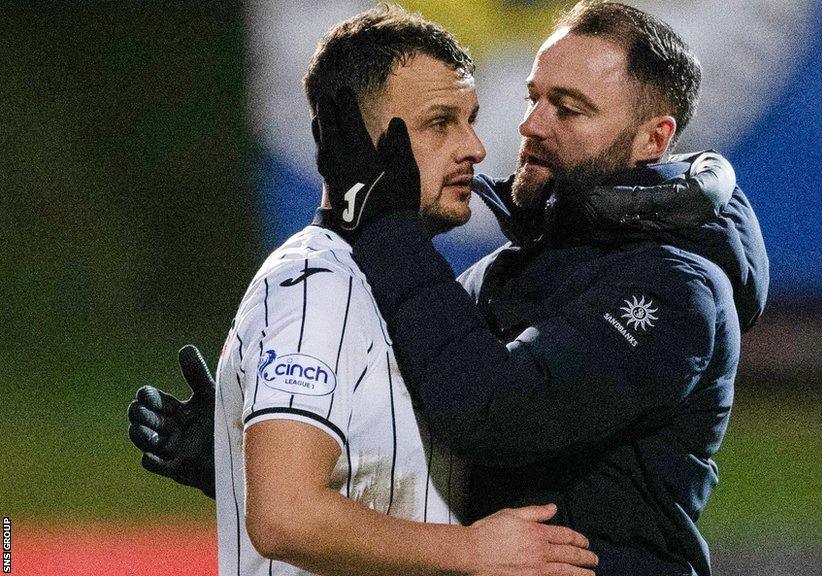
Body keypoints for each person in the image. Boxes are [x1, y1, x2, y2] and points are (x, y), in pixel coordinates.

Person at [129, 2, 769, 575]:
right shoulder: (508, 270)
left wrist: (387, 227)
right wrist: (247, 468)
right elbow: (421, 446)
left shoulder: (677, 288)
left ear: (653, 139)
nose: (530, 127)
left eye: (568, 108)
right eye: (532, 97)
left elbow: (497, 410)